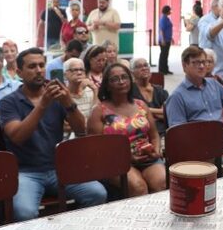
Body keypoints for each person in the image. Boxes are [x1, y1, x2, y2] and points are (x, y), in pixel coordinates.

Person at [0, 47, 107, 222]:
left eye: (42, 65)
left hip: (58, 168)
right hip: (26, 172)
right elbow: (17, 136)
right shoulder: (8, 102)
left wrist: (68, 102)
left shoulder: (57, 95)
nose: (39, 70)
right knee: (24, 213)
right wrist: (42, 104)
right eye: (32, 66)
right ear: (19, 72)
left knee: (97, 193)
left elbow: (81, 131)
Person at [87, 63, 166, 195]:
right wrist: (126, 157)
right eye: (115, 79)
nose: (121, 82)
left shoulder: (141, 105)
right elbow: (95, 148)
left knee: (161, 182)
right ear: (107, 85)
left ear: (131, 81)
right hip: (114, 160)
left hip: (147, 157)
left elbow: (154, 135)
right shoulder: (99, 111)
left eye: (125, 77)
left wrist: (156, 151)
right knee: (138, 187)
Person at [165, 46, 223, 130]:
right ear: (184, 66)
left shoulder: (215, 85)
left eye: (204, 62)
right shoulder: (177, 96)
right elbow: (178, 133)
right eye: (196, 62)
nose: (202, 66)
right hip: (197, 140)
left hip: (222, 134)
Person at [131, 58, 168, 136]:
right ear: (132, 72)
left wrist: (146, 110)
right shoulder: (130, 92)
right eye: (139, 66)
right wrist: (159, 112)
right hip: (142, 134)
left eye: (146, 65)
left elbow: (168, 113)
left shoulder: (159, 90)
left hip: (164, 132)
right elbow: (136, 117)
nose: (144, 68)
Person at [63, 57, 98, 122]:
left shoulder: (91, 90)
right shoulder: (63, 95)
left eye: (81, 70)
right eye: (75, 70)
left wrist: (95, 90)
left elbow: (97, 117)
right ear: (65, 75)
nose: (79, 73)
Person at [158, 5, 173, 75]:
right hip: (164, 40)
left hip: (167, 39)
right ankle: (161, 70)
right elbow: (161, 30)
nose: (171, 12)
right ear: (167, 11)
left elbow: (168, 29)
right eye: (170, 10)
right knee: (163, 55)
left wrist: (171, 38)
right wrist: (163, 39)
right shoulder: (163, 19)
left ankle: (166, 69)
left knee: (166, 55)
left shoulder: (167, 18)